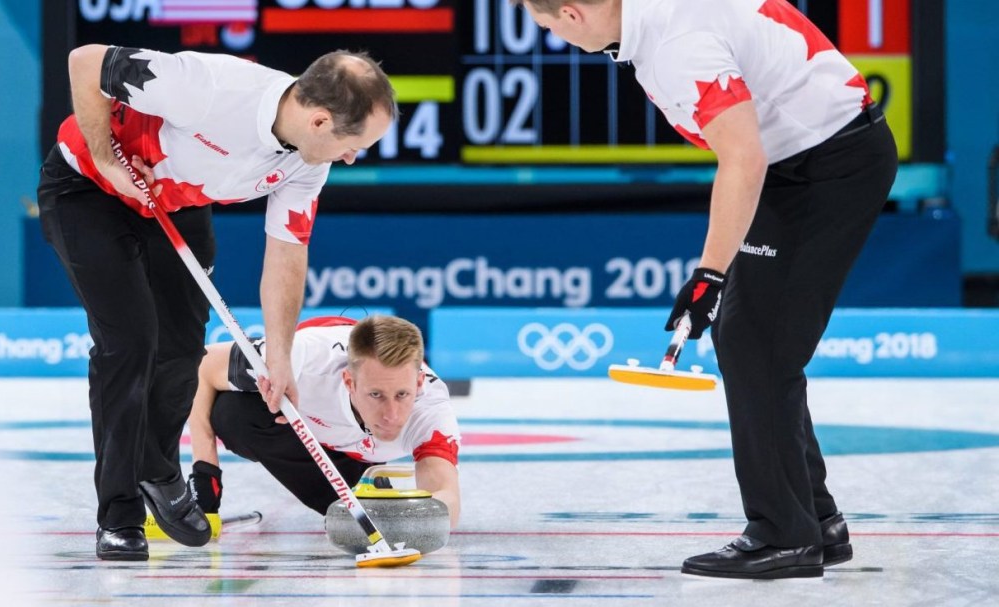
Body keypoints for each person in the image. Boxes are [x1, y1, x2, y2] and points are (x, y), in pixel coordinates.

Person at [515, 0, 897, 579]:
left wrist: (709, 276)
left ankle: (784, 534)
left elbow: (743, 157)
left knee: (757, 345)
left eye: (548, 27)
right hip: (805, 157)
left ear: (572, 14)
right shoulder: (655, 21)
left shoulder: (674, 45)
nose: (554, 38)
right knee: (752, 340)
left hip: (825, 166)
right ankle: (816, 521)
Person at [36, 45, 396, 561]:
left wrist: (279, 355)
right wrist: (106, 159)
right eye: (354, 143)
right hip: (88, 189)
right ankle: (118, 513)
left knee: (182, 348)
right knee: (131, 343)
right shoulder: (208, 87)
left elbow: (286, 255)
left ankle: (157, 471)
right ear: (320, 120)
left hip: (172, 200)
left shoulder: (306, 162)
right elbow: (85, 61)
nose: (351, 157)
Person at [186, 315, 461, 528]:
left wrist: (413, 522)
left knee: (362, 520)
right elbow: (204, 363)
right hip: (296, 415)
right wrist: (205, 477)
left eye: (402, 395)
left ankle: (360, 485)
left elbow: (445, 494)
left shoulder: (431, 411)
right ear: (349, 383)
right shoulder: (302, 361)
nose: (391, 414)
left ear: (419, 383)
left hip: (352, 449)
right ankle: (350, 494)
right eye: (376, 395)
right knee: (231, 413)